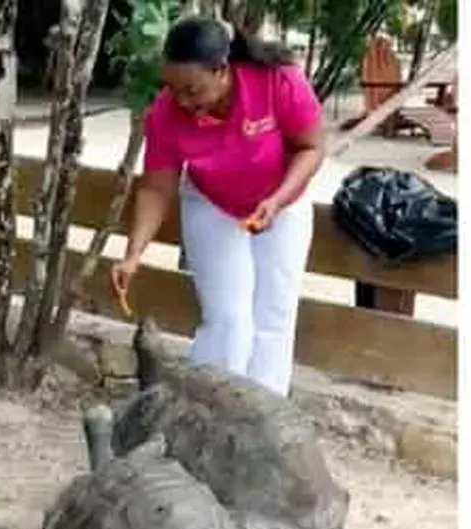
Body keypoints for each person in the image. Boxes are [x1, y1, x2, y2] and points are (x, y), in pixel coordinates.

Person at [111, 16, 325, 398]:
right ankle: (208, 407)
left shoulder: (277, 80)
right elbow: (157, 188)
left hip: (283, 202)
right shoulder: (165, 113)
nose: (182, 101)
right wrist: (133, 254)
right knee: (227, 317)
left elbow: (311, 147)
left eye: (192, 90)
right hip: (213, 203)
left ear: (222, 69)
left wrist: (277, 201)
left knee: (274, 314)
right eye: (173, 89)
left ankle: (263, 411)